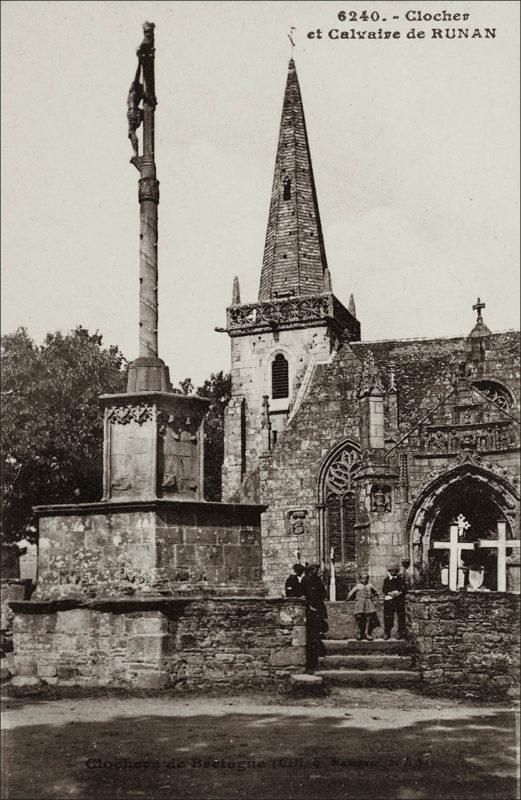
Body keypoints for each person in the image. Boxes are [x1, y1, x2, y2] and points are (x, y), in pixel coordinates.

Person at [303, 564, 328, 672]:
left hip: (318, 603)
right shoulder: (306, 579)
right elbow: (305, 592)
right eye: (315, 570)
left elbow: (322, 590)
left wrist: (321, 596)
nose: (316, 571)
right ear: (310, 570)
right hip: (310, 603)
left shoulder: (317, 579)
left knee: (319, 620)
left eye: (317, 570)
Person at [347, 574, 380, 641]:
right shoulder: (358, 586)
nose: (365, 580)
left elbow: (376, 592)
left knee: (368, 618)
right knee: (359, 618)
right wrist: (347, 599)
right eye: (363, 578)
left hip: (368, 602)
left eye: (366, 578)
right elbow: (351, 593)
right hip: (360, 603)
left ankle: (367, 633)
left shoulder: (370, 585)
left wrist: (375, 598)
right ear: (360, 579)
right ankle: (360, 633)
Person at [382, 563, 407, 640]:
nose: (393, 573)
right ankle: (387, 632)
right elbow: (384, 589)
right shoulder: (386, 580)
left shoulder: (400, 579)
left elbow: (404, 588)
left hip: (399, 600)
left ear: (397, 571)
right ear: (389, 571)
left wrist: (399, 593)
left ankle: (400, 632)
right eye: (391, 571)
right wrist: (390, 593)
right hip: (389, 600)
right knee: (388, 616)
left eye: (395, 571)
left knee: (401, 616)